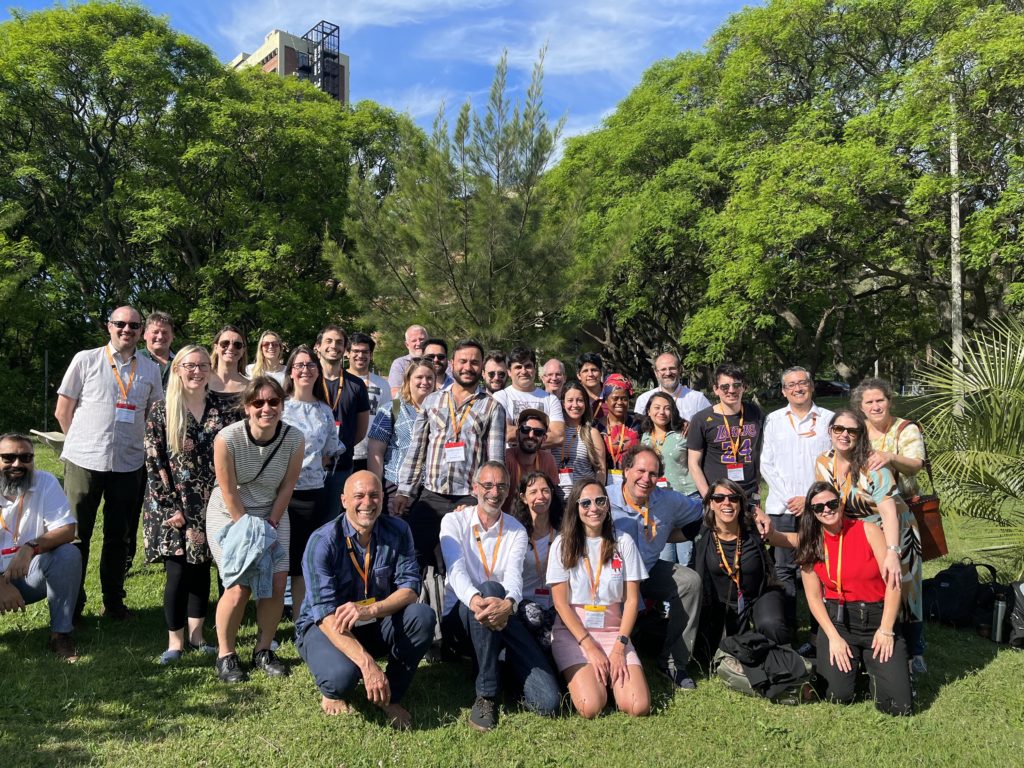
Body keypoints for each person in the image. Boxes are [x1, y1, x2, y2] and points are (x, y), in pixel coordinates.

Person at [296, 471, 435, 729]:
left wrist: (370, 610)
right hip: (327, 626)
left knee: (422, 616)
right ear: (344, 500)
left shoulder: (399, 530)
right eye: (358, 496)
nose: (367, 503)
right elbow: (324, 614)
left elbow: (410, 588)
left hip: (372, 619)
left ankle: (389, 695)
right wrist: (367, 664)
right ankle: (334, 686)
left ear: (383, 499)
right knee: (340, 679)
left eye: (374, 495)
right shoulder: (322, 541)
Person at [55, 305, 164, 621]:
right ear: (109, 327)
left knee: (120, 536)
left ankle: (114, 603)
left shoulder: (150, 369)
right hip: (84, 461)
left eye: (133, 325)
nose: (126, 329)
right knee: (76, 536)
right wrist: (78, 443)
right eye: (120, 324)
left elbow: (151, 415)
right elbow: (64, 410)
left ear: (141, 331)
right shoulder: (86, 360)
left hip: (128, 464)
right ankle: (72, 605)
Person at [439, 462, 561, 731]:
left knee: (549, 702)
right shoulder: (453, 521)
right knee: (491, 588)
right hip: (461, 617)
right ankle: (487, 695)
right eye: (488, 485)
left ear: (508, 491)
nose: (494, 492)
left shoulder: (516, 529)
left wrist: (508, 604)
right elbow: (455, 569)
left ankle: (495, 664)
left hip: (504, 614)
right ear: (475, 488)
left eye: (501, 486)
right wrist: (476, 600)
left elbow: (514, 578)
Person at [205, 376, 304, 683]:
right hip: (231, 515)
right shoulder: (227, 439)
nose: (266, 408)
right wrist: (251, 530)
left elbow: (288, 486)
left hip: (273, 514)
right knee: (238, 587)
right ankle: (226, 655)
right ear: (247, 407)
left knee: (276, 584)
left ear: (282, 405)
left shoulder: (294, 439)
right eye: (258, 403)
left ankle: (263, 650)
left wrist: (271, 525)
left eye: (273, 402)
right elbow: (229, 490)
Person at [144, 346, 233, 664]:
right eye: (190, 365)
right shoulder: (162, 410)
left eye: (203, 365)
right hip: (173, 504)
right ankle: (175, 641)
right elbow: (155, 462)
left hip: (212, 504)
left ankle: (198, 636)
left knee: (201, 571)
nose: (197, 371)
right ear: (178, 369)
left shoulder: (222, 409)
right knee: (179, 572)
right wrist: (169, 507)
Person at [813, 409, 921, 673]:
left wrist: (893, 552)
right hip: (855, 533)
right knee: (863, 586)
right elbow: (824, 501)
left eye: (852, 431)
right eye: (839, 429)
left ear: (861, 435)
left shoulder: (872, 464)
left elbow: (888, 510)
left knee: (903, 590)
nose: (845, 435)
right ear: (830, 431)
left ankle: (913, 653)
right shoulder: (823, 463)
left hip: (893, 531)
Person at [794, 481, 912, 716]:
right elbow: (814, 598)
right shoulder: (810, 543)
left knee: (898, 707)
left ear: (841, 503)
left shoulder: (868, 531)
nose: (826, 510)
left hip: (877, 619)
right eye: (819, 508)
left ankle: (877, 667)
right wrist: (833, 638)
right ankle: (842, 666)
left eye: (831, 503)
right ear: (813, 513)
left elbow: (893, 583)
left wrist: (887, 629)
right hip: (839, 623)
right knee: (837, 697)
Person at [394, 339, 506, 570]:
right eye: (462, 361)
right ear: (452, 363)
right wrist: (405, 491)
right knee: (411, 559)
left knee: (460, 566)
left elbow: (495, 463)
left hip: (468, 499)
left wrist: (483, 503)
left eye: (474, 362)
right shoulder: (432, 401)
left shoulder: (493, 407)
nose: (468, 367)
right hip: (431, 495)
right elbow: (417, 450)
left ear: (482, 367)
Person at [548, 479, 650, 718]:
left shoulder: (623, 542)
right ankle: (590, 680)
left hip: (614, 632)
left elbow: (632, 601)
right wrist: (589, 647)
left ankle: (608, 679)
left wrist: (619, 647)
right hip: (575, 635)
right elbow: (561, 603)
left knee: (638, 706)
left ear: (607, 504)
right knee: (591, 706)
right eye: (585, 503)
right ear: (575, 507)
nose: (593, 508)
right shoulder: (562, 545)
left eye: (599, 501)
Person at [607, 445, 704, 689]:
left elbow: (704, 510)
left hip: (648, 571)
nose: (646, 479)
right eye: (640, 471)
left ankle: (673, 663)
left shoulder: (667, 501)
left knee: (689, 582)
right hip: (613, 579)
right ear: (626, 470)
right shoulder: (604, 499)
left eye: (653, 474)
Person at [851, 377, 927, 672]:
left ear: (889, 401)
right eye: (868, 402)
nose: (875, 406)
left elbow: (916, 463)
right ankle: (877, 636)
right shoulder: (858, 432)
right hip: (865, 516)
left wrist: (890, 457)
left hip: (901, 514)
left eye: (879, 400)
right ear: (861, 407)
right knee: (873, 578)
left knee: (907, 582)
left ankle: (915, 649)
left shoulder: (905, 428)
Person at [760, 366, 834, 632]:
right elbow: (766, 463)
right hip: (782, 507)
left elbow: (834, 464)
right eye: (790, 385)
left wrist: (810, 499)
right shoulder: (773, 420)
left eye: (802, 383)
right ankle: (787, 630)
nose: (797, 388)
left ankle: (821, 633)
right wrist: (789, 497)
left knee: (820, 566)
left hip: (819, 508)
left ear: (811, 386)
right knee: (784, 569)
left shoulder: (828, 419)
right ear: (783, 391)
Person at [692, 480, 792, 664]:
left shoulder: (755, 528)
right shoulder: (701, 530)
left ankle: (784, 661)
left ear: (740, 503)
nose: (726, 503)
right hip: (721, 604)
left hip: (759, 594)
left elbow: (786, 539)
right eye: (719, 498)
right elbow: (670, 534)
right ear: (711, 504)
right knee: (712, 651)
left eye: (733, 498)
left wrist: (822, 540)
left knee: (771, 624)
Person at [0, 434, 81, 662]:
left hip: (26, 575)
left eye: (25, 457)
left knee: (68, 554)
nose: (17, 464)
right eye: (8, 457)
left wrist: (30, 547)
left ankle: (61, 635)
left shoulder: (44, 482)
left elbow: (67, 530)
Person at [282, 346, 343, 615]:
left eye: (310, 365)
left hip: (314, 493)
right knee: (282, 559)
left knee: (305, 559)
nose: (305, 370)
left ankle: (300, 617)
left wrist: (311, 468)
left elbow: (330, 451)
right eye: (299, 365)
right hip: (283, 495)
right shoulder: (280, 406)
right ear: (291, 372)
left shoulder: (324, 411)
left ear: (318, 372)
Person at [315, 324, 371, 523]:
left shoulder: (356, 385)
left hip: (341, 466)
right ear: (317, 347)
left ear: (345, 349)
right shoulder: (308, 381)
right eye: (328, 341)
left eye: (339, 342)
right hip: (309, 466)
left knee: (332, 522)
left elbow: (360, 431)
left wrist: (337, 449)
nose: (334, 346)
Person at [366, 359, 436, 516]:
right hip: (396, 487)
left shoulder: (439, 411)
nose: (425, 382)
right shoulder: (394, 407)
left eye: (430, 377)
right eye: (419, 377)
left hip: (429, 490)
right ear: (408, 380)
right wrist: (376, 488)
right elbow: (375, 450)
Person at [687, 363, 765, 503]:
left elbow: (761, 452)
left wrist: (757, 487)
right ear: (716, 389)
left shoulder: (755, 413)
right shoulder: (702, 419)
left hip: (749, 494)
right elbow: (693, 463)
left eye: (736, 385)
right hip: (719, 496)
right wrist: (708, 497)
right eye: (725, 387)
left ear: (744, 387)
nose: (731, 390)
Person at [640, 391, 697, 565]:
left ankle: (691, 589)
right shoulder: (645, 437)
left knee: (686, 556)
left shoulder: (684, 433)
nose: (662, 412)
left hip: (685, 498)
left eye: (667, 408)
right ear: (648, 411)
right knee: (664, 555)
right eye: (656, 408)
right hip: (658, 502)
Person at [509, 471, 563, 647]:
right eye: (533, 492)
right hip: (526, 606)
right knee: (536, 618)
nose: (540, 496)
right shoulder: (516, 535)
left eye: (545, 490)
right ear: (524, 498)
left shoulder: (563, 533)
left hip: (556, 604)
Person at [492, 347, 565, 448]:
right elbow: (505, 433)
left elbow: (558, 437)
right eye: (518, 367)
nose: (524, 371)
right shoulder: (500, 397)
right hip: (509, 462)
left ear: (534, 369)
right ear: (509, 372)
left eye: (528, 366)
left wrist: (518, 433)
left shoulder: (550, 399)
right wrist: (541, 434)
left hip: (541, 463)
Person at [346, 332, 392, 472]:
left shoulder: (382, 385)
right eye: (356, 351)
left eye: (365, 351)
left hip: (371, 454)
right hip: (344, 453)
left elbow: (389, 419)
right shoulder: (340, 381)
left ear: (371, 355)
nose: (360, 355)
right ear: (347, 353)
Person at [554, 382, 606, 495]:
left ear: (586, 404)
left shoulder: (592, 433)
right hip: (555, 501)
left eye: (580, 400)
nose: (575, 405)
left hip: (583, 501)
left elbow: (601, 470)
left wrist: (597, 496)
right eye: (570, 400)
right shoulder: (554, 432)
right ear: (563, 404)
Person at [503, 409, 559, 512]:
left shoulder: (548, 460)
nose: (531, 435)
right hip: (508, 521)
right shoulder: (506, 458)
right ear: (517, 433)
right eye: (525, 429)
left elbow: (553, 498)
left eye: (538, 432)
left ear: (544, 438)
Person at [634, 352, 711, 422]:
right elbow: (639, 430)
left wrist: (693, 426)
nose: (668, 373)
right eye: (663, 369)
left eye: (672, 368)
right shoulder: (644, 399)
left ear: (680, 369)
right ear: (656, 373)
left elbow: (711, 425)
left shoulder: (697, 399)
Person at [601, 374, 641, 485]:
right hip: (606, 483)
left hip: (635, 482)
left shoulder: (638, 422)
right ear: (606, 400)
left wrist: (683, 424)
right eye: (615, 398)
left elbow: (661, 423)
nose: (619, 402)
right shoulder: (597, 427)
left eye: (624, 399)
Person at [208, 325, 249, 418]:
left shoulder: (251, 388)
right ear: (216, 347)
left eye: (237, 345)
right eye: (225, 343)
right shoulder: (202, 382)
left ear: (243, 350)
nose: (230, 348)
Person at [388, 324, 428, 397]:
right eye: (414, 340)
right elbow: (394, 394)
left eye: (421, 339)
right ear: (407, 344)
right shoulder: (400, 364)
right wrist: (397, 408)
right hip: (406, 406)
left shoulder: (438, 361)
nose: (418, 343)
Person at [140, 310, 175, 388]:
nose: (160, 337)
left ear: (172, 336)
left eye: (165, 332)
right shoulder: (134, 359)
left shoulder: (182, 362)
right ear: (145, 335)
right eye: (155, 332)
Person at [576, 352, 606, 422]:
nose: (590, 374)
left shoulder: (610, 396)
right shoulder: (573, 397)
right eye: (585, 371)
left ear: (601, 373)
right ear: (578, 375)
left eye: (594, 370)